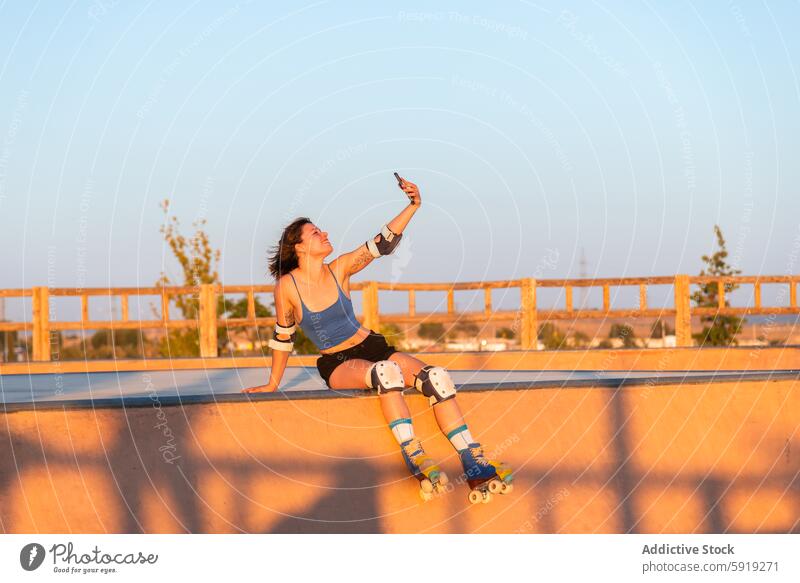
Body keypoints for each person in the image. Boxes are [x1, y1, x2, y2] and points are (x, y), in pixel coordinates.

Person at [242, 176, 512, 502]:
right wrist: (272, 383)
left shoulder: (339, 268)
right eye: (316, 232)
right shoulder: (288, 286)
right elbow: (283, 337)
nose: (325, 234)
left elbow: (380, 244)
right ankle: (414, 454)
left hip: (373, 346)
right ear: (299, 246)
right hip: (338, 361)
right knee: (386, 373)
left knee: (437, 379)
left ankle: (472, 459)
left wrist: (413, 205)